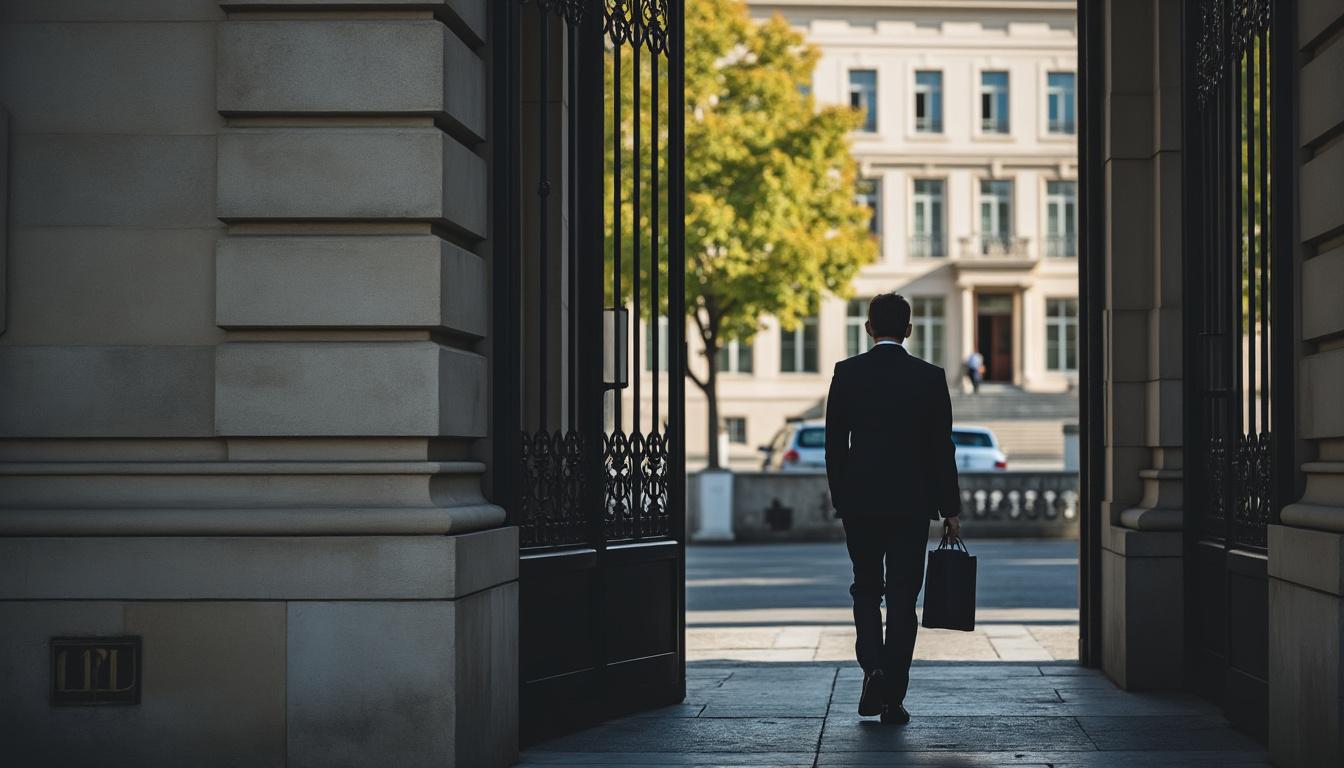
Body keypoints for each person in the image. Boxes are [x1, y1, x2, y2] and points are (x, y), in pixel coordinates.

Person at [824, 292, 962, 725]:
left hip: (861, 503)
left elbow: (834, 445)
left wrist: (842, 498)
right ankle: (892, 697)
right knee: (903, 599)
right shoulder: (930, 377)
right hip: (911, 504)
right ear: (908, 330)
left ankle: (873, 668)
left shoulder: (847, 373)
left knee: (866, 589)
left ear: (868, 329)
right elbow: (941, 448)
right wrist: (950, 508)